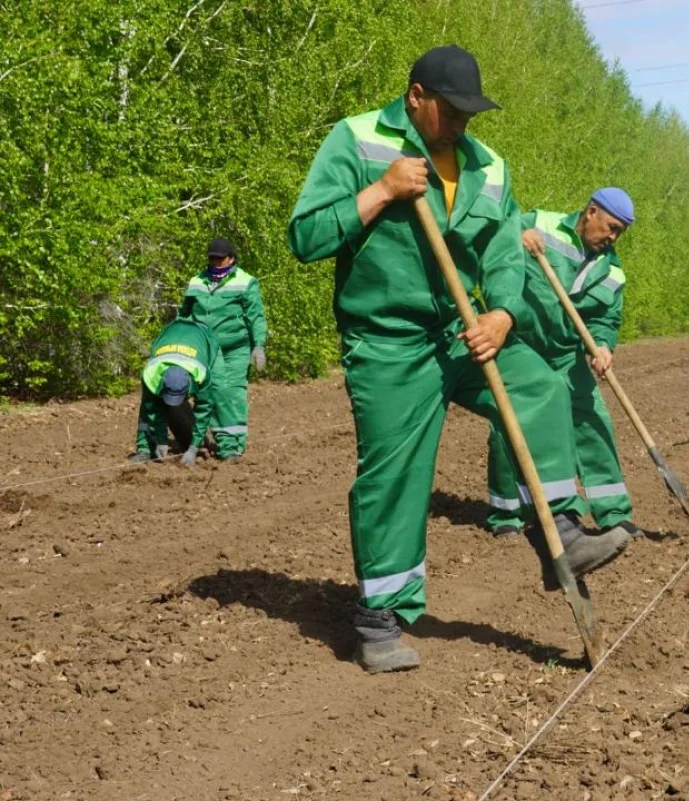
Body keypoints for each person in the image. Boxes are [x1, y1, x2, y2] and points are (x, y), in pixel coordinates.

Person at [287, 45, 630, 674]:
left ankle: (559, 533)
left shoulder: (488, 165)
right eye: (451, 112)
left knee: (542, 386)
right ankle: (379, 619)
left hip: (460, 328)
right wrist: (381, 192)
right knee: (397, 472)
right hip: (387, 339)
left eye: (471, 113)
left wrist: (502, 313)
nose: (462, 125)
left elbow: (504, 249)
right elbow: (305, 236)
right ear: (415, 96)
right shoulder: (360, 140)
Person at [485, 188, 642, 539]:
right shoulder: (542, 224)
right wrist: (516, 234)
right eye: (611, 227)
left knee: (593, 421)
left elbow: (606, 319)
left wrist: (602, 346)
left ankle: (613, 512)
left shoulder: (613, 271)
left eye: (620, 232)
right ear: (590, 212)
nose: (613, 237)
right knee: (509, 423)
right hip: (520, 345)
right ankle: (506, 513)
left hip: (566, 353)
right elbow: (497, 235)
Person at [178, 238, 268, 461]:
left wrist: (258, 345)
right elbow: (185, 314)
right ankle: (224, 443)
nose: (215, 262)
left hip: (235, 348)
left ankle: (234, 445)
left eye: (219, 258)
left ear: (232, 258)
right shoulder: (197, 282)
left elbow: (255, 316)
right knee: (211, 394)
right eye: (212, 258)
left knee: (232, 394)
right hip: (206, 349)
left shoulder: (245, 281)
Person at [129, 317, 225, 468]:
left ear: (189, 384)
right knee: (148, 407)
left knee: (220, 394)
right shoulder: (151, 373)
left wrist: (193, 449)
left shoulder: (201, 373)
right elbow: (152, 409)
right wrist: (161, 440)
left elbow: (204, 410)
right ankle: (145, 449)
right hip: (170, 332)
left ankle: (227, 447)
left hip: (203, 337)